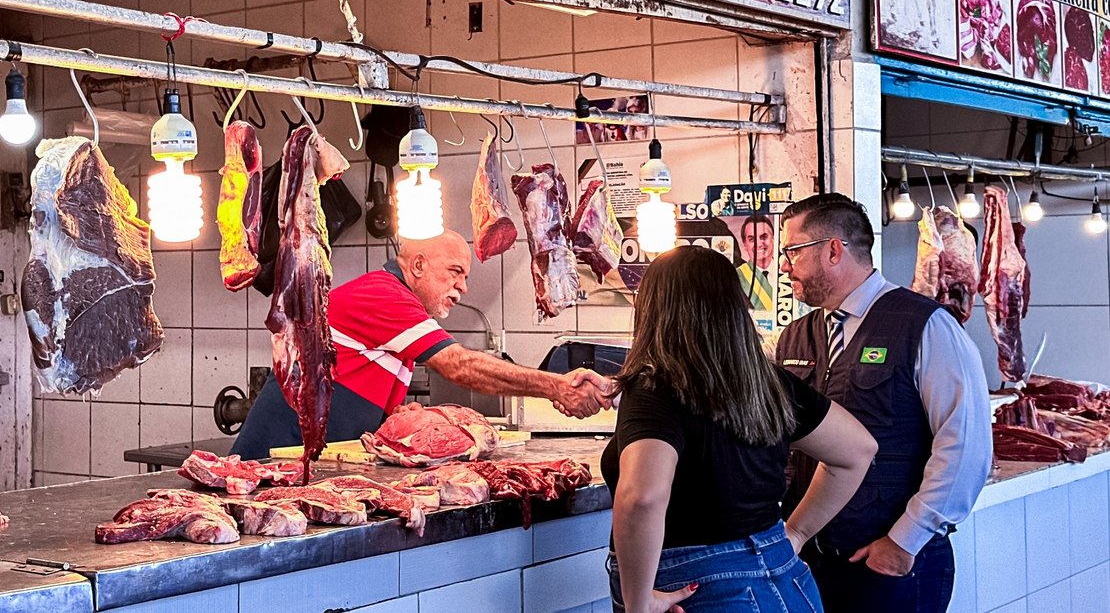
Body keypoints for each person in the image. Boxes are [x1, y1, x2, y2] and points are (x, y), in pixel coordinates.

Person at [602, 245, 878, 613]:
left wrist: (638, 602)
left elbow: (642, 497)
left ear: (653, 309)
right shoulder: (768, 381)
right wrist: (792, 535)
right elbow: (858, 450)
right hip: (787, 581)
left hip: (699, 588)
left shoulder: (656, 386)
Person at [775, 193, 992, 613]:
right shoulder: (794, 335)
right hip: (809, 566)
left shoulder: (926, 325)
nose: (784, 266)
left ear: (834, 250)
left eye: (792, 252)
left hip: (889, 568)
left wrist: (904, 541)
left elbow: (966, 447)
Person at [231, 230, 612, 460]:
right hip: (269, 463)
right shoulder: (384, 295)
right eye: (455, 272)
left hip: (304, 463)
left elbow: (353, 374)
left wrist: (395, 413)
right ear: (416, 266)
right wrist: (556, 386)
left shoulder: (399, 304)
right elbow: (459, 366)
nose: (462, 287)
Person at [738, 214, 775, 311]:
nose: (759, 244)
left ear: (773, 239)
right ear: (745, 245)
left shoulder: (789, 272)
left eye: (763, 237)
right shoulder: (737, 277)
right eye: (752, 239)